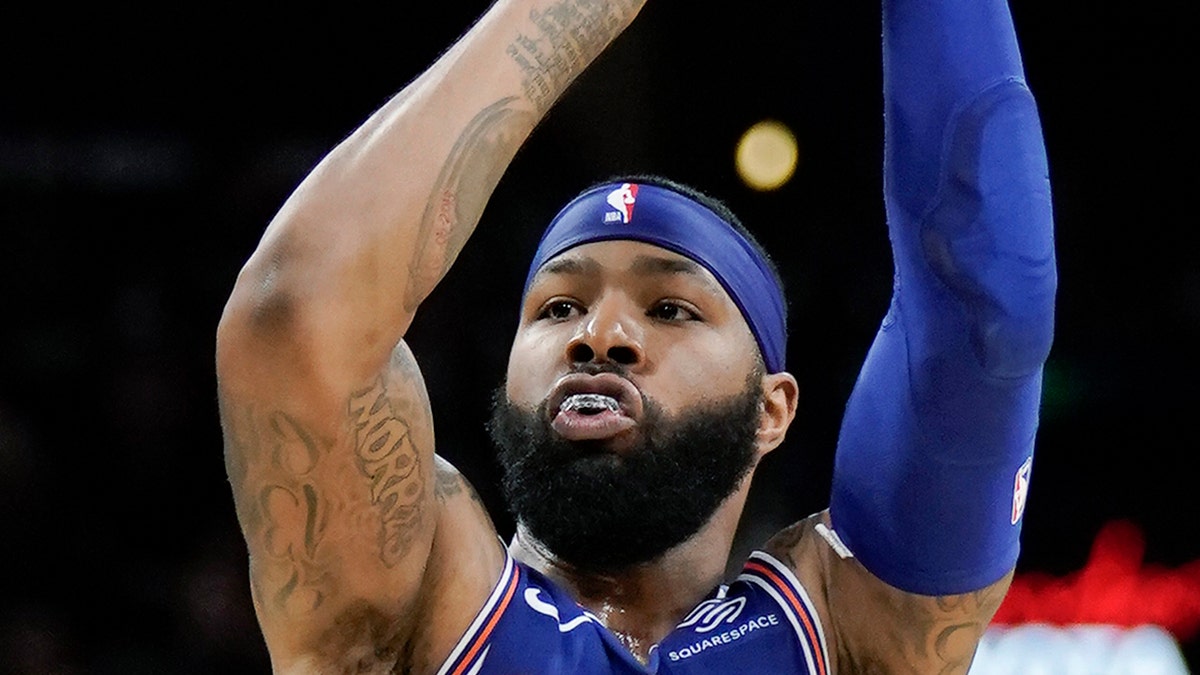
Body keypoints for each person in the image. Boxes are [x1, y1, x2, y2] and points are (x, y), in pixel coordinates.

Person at [215, 0, 1057, 672]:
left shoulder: (840, 634)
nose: (601, 334)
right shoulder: (420, 603)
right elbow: (295, 313)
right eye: (557, 309)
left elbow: (987, 310)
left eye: (670, 309)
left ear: (773, 408)